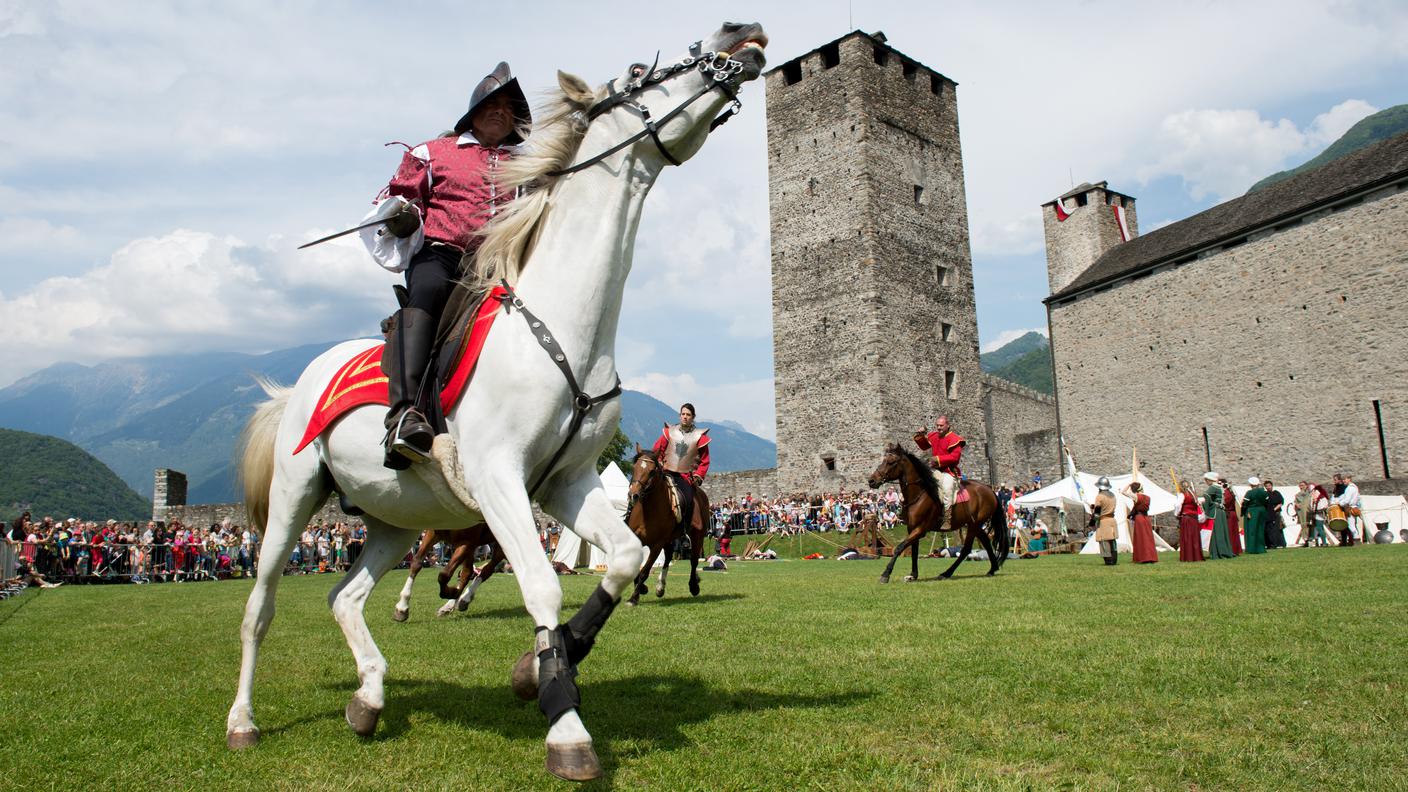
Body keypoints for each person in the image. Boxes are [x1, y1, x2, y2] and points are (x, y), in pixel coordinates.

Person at [370, 62, 532, 468]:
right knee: (426, 291)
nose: (499, 111)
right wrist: (400, 213)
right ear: (473, 111)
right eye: (491, 104)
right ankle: (404, 415)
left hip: (500, 263)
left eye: (508, 107)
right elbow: (394, 199)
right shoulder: (431, 153)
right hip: (442, 253)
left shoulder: (529, 164)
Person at [651, 402, 711, 536]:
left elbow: (705, 460)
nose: (685, 417)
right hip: (666, 474)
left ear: (693, 417)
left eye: (688, 415)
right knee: (646, 490)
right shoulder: (669, 433)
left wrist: (698, 475)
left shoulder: (699, 437)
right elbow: (657, 450)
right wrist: (659, 462)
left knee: (689, 499)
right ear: (679, 416)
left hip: (685, 477)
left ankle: (684, 532)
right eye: (683, 414)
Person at [913, 415, 965, 532]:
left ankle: (947, 518)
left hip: (948, 471)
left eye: (941, 425)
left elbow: (955, 457)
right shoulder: (934, 436)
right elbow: (924, 446)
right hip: (935, 470)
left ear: (947, 426)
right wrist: (921, 435)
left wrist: (937, 459)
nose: (939, 428)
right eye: (937, 425)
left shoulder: (954, 439)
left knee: (947, 489)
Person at [1122, 481, 1158, 564]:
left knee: (1140, 538)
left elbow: (1123, 492)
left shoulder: (1136, 496)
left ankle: (1142, 557)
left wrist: (1129, 485)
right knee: (1148, 538)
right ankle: (1150, 557)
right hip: (1146, 518)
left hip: (1139, 518)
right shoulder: (1148, 497)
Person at [1203, 472, 1234, 559]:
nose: (1206, 482)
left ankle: (1219, 551)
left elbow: (1206, 497)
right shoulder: (1220, 487)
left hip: (1216, 511)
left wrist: (1205, 510)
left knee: (1217, 532)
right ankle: (1224, 550)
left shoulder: (1213, 487)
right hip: (1221, 511)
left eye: (1206, 480)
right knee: (1222, 531)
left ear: (1209, 480)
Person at [1089, 477, 1117, 565]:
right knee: (1112, 541)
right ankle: (1114, 559)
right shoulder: (1113, 495)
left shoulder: (1100, 496)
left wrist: (1092, 523)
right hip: (1112, 520)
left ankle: (1109, 561)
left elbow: (1097, 513)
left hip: (1104, 521)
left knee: (1104, 541)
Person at [1176, 481, 1204, 562]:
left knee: (1187, 537)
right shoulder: (1193, 495)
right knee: (1194, 537)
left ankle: (1188, 556)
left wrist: (1177, 514)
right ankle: (1196, 556)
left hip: (1187, 518)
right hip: (1194, 518)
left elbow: (1178, 505)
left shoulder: (1183, 495)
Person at [1332, 473, 1362, 546]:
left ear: (1349, 479)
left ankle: (1356, 539)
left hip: (1350, 507)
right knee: (1351, 525)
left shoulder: (1350, 488)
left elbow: (1347, 500)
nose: (1344, 481)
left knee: (1351, 525)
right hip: (1352, 506)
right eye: (1343, 479)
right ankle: (1355, 539)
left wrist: (1339, 503)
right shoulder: (1354, 487)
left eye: (1345, 479)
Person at [1240, 476, 1268, 555]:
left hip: (1252, 511)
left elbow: (1244, 504)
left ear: (1250, 484)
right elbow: (1267, 501)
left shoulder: (1249, 493)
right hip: (1262, 510)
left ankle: (1251, 548)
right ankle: (1261, 548)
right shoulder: (1263, 492)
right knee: (1260, 529)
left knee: (1251, 530)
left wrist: (1243, 512)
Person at [1222, 478, 1243, 556]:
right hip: (1232, 513)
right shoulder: (1229, 492)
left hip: (1229, 514)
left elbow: (1225, 503)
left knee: (1231, 533)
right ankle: (1235, 549)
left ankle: (1232, 549)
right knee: (1233, 532)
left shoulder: (1227, 493)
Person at [1263, 480, 1286, 549]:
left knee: (1277, 529)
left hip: (1276, 514)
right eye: (1266, 486)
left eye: (1269, 486)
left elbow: (1281, 503)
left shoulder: (1276, 493)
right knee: (1269, 530)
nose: (1268, 487)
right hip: (1268, 514)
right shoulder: (1265, 494)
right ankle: (1270, 544)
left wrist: (1274, 510)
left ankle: (1280, 543)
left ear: (1272, 486)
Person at [1292, 482, 1314, 547]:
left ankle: (1311, 539)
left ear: (1306, 486)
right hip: (1301, 513)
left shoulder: (1310, 494)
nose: (1301, 487)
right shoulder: (1297, 495)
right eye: (1300, 485)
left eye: (1302, 485)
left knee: (1309, 526)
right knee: (1303, 526)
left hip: (1308, 512)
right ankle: (1306, 540)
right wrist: (1296, 505)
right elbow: (1295, 503)